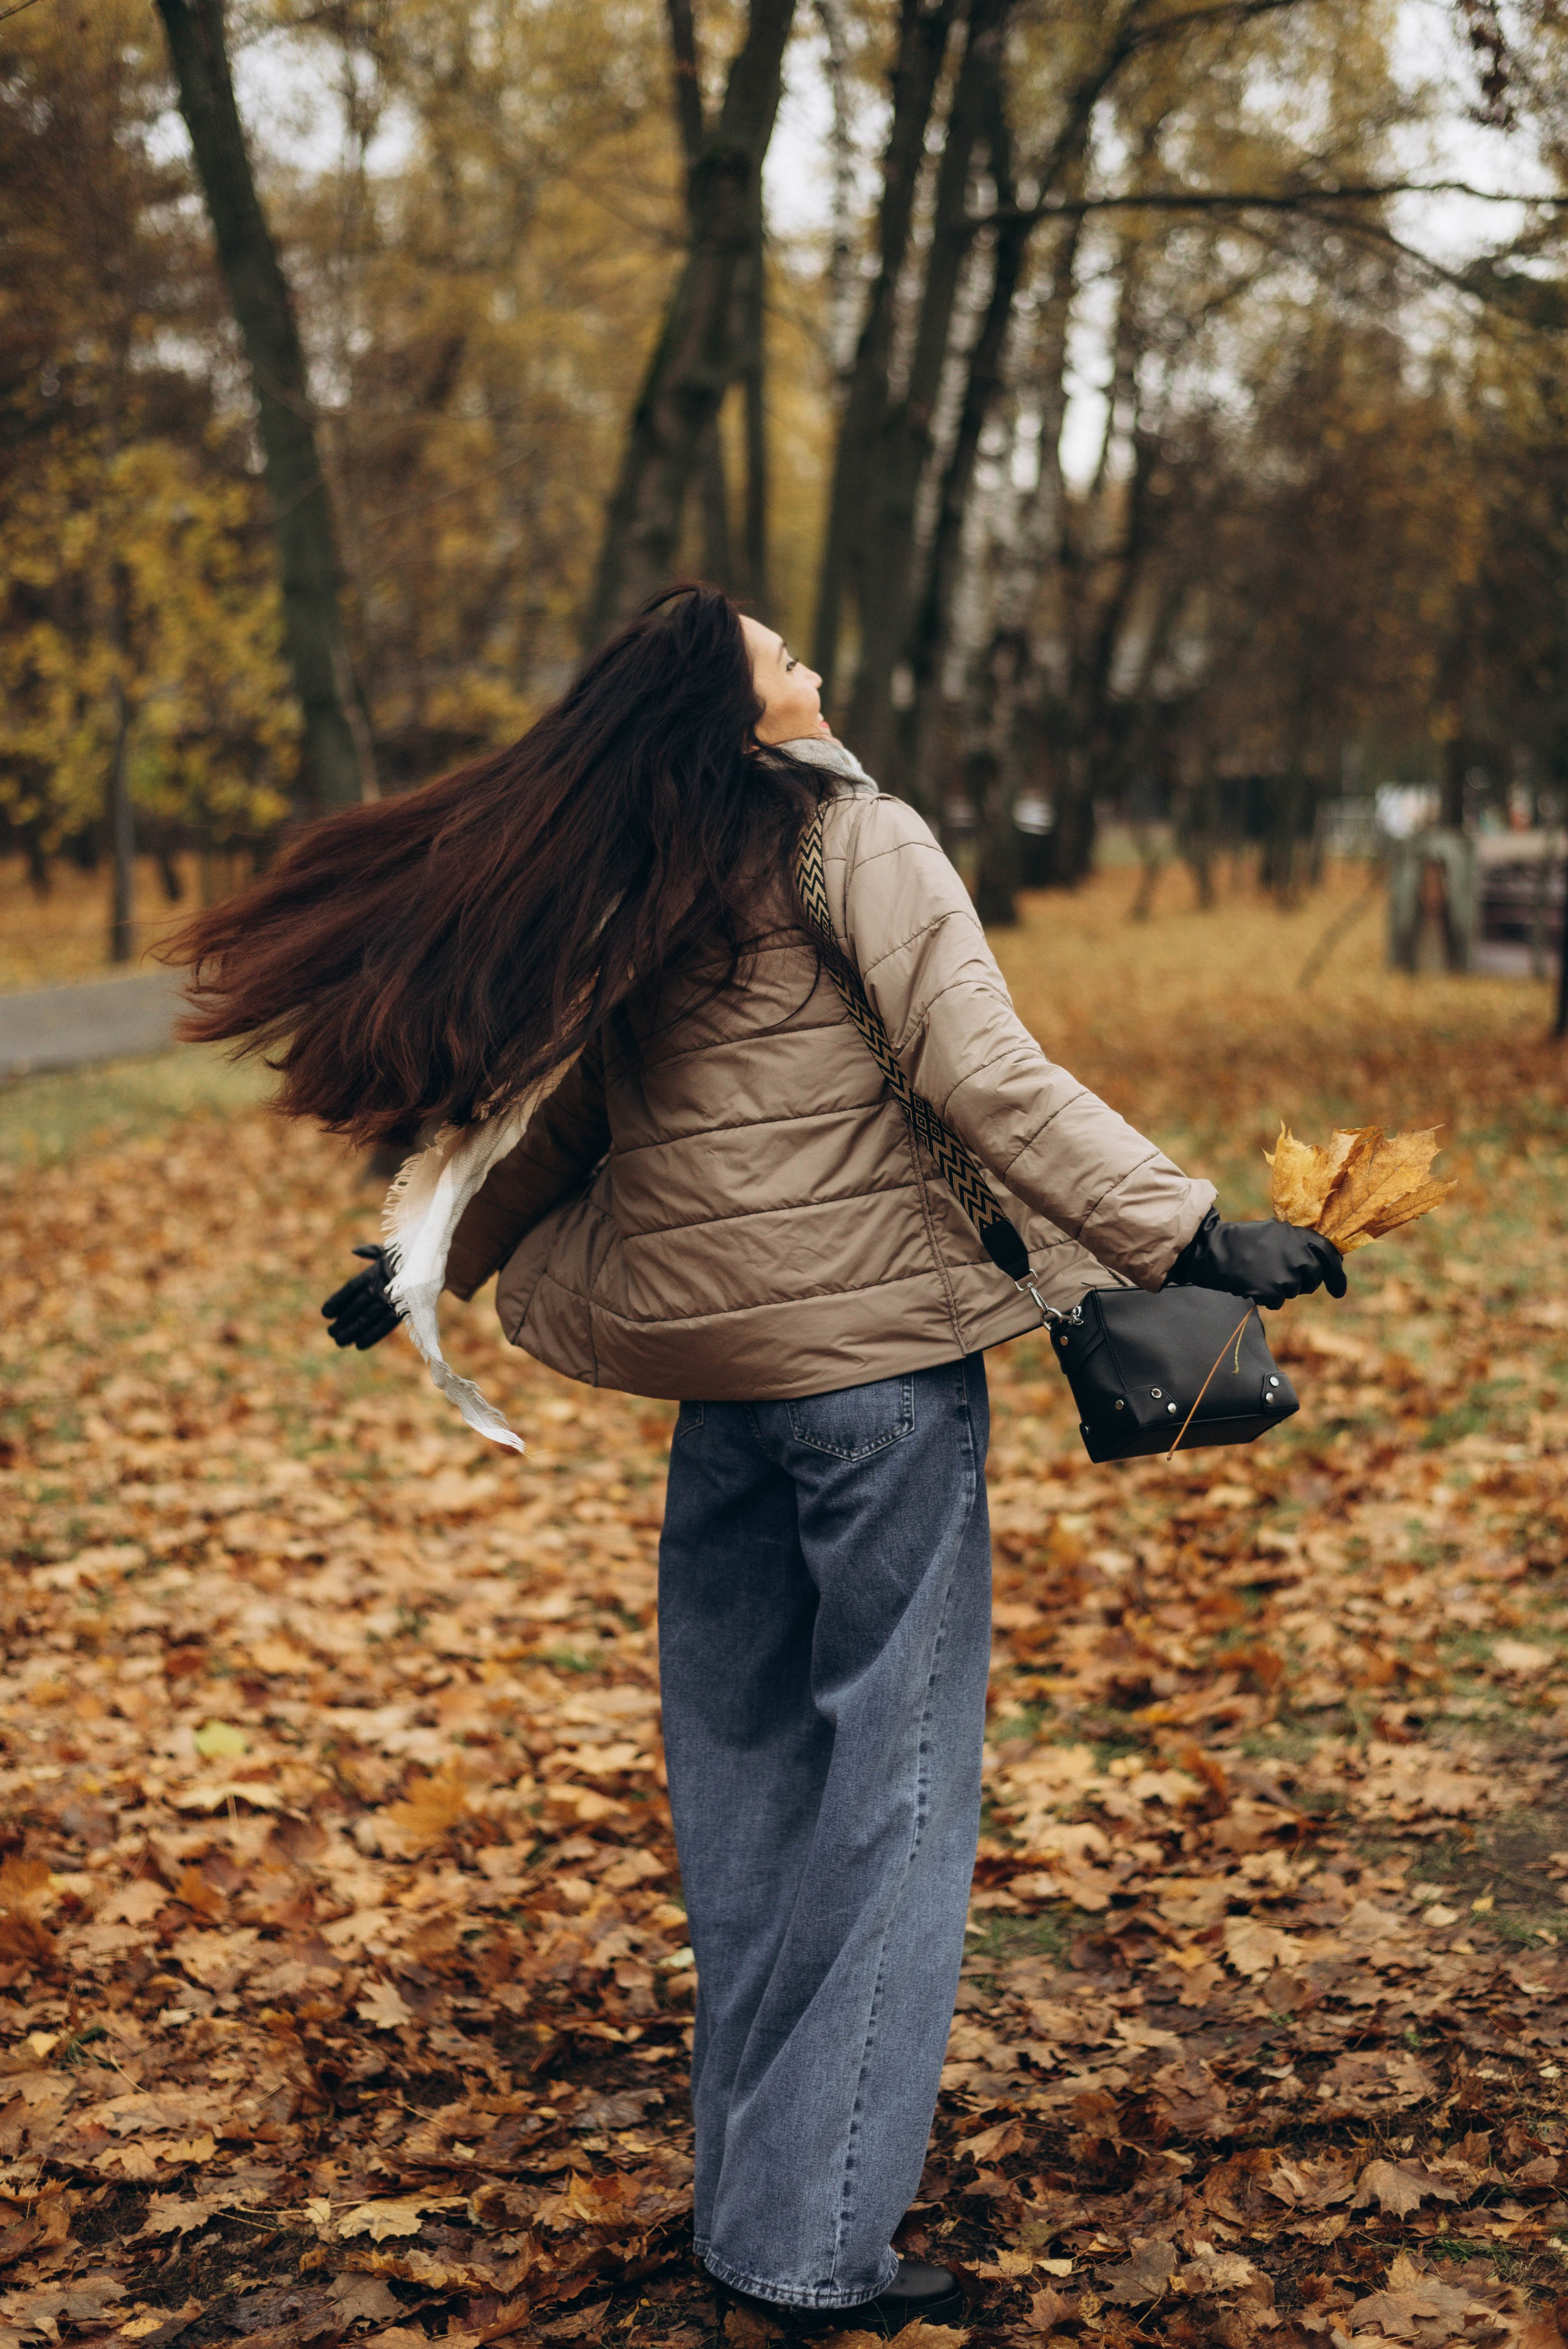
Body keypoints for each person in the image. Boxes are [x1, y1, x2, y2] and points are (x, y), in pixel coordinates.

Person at [169, 585, 1343, 2337]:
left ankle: (759, 2204)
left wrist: (423, 1255)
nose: (802, 650)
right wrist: (1192, 1234)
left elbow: (567, 1119)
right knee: (890, 1796)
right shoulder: (858, 835)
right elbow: (986, 1073)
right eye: (772, 647)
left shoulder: (667, 875)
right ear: (734, 715)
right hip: (877, 1393)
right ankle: (807, 2249)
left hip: (728, 1400)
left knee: (750, 1794)